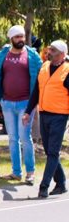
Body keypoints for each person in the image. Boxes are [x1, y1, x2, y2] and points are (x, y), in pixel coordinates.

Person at [0, 25, 42, 184]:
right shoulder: (3, 55)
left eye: (22, 36)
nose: (20, 39)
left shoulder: (32, 55)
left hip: (26, 103)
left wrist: (38, 100)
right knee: (12, 138)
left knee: (25, 137)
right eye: (17, 37)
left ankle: (30, 172)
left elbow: (40, 78)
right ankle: (16, 172)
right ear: (11, 38)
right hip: (7, 103)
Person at [22, 40, 69, 198]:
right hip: (44, 113)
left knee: (53, 152)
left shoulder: (67, 70)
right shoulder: (44, 67)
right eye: (49, 49)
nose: (49, 52)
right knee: (50, 150)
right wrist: (28, 112)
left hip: (60, 116)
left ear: (62, 54)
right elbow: (36, 91)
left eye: (53, 50)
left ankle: (44, 186)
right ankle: (61, 183)